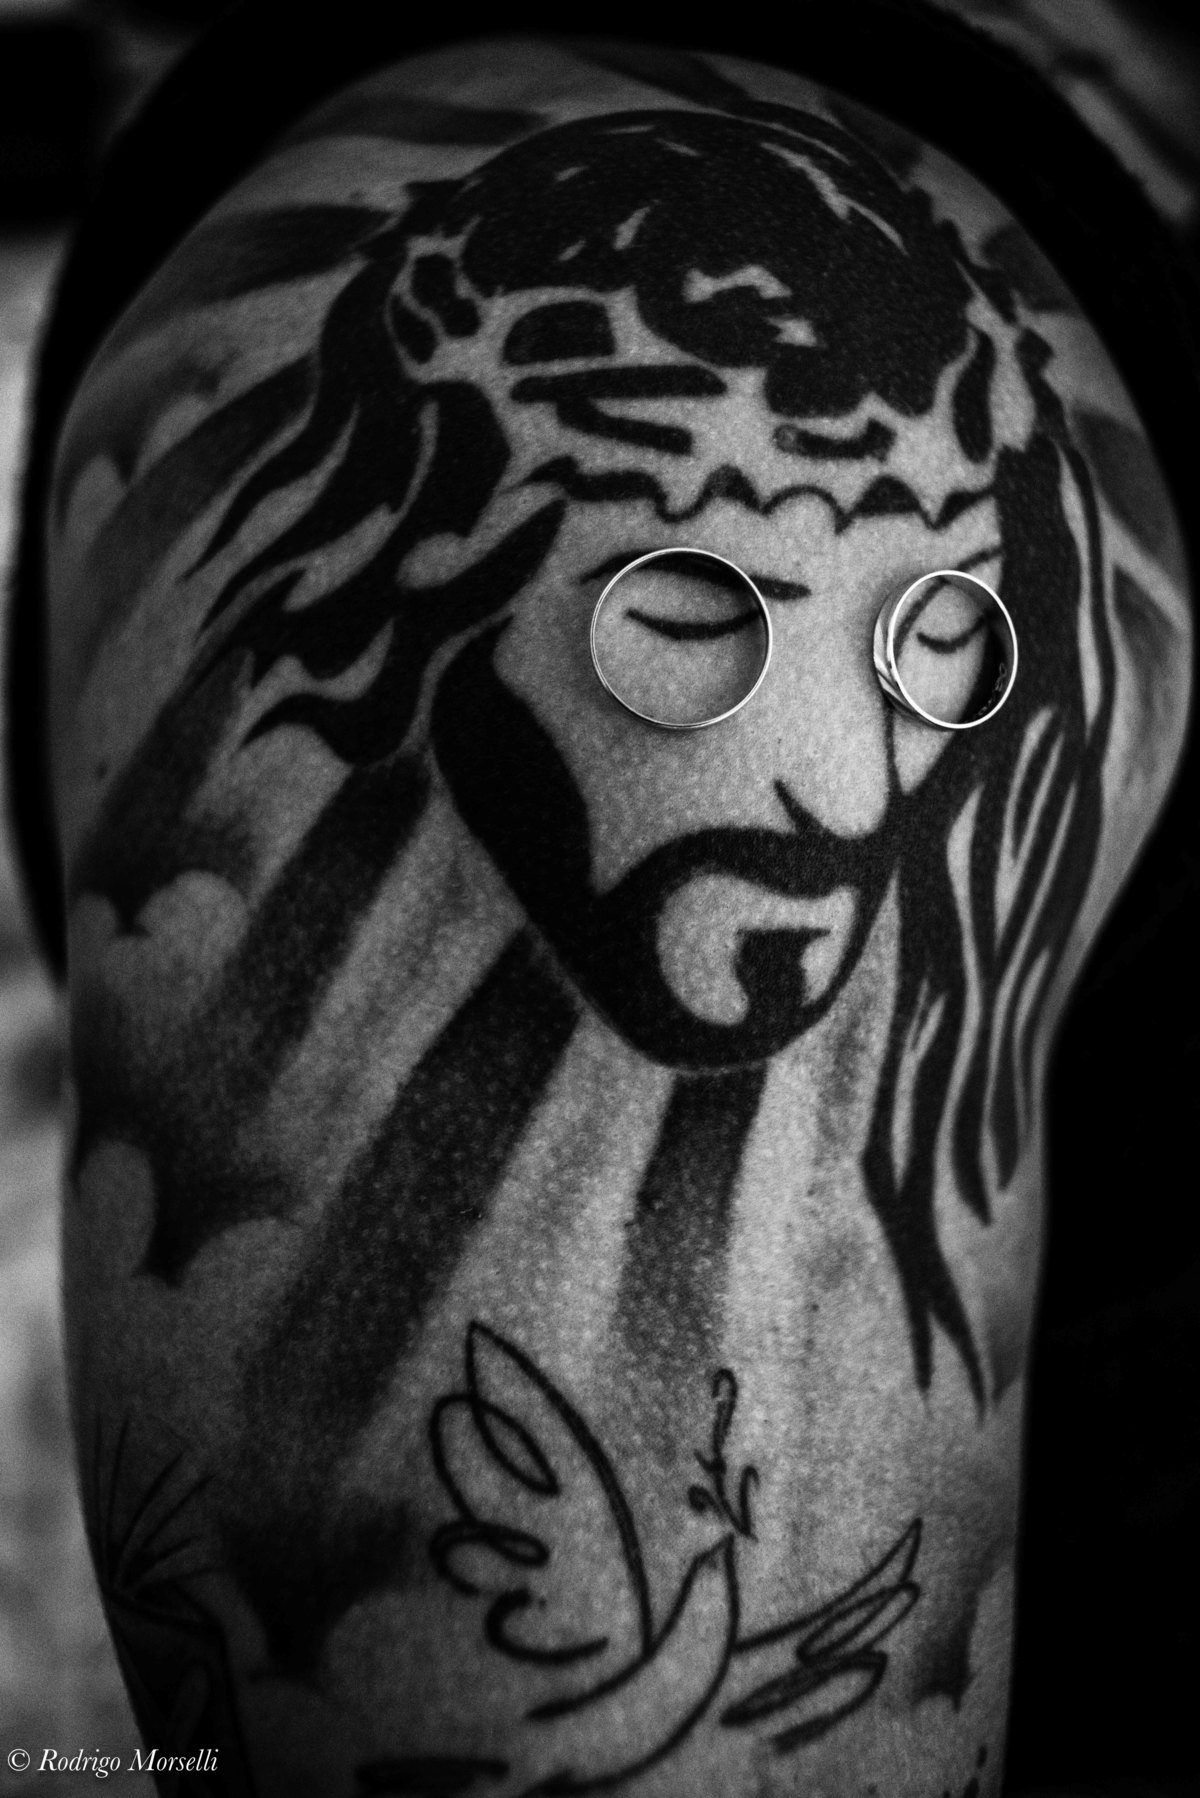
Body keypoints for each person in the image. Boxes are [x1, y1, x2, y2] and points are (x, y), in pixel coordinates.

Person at [9, 1, 1198, 1790]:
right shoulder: (717, 255)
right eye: (699, 611)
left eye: (926, 633)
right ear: (433, 545)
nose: (841, 805)